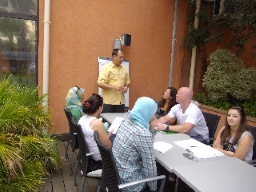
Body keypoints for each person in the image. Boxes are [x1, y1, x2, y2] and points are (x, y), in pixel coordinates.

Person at [112, 97, 158, 192]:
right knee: (160, 177)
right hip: (129, 183)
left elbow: (145, 145)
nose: (154, 115)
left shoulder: (127, 122)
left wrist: (152, 128)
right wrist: (153, 189)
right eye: (154, 112)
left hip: (114, 176)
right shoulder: (142, 133)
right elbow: (150, 167)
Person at [78, 93, 112, 162]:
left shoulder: (82, 119)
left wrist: (106, 137)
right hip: (99, 156)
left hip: (88, 153)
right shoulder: (97, 123)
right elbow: (109, 146)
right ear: (99, 108)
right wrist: (109, 137)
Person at [97, 49, 130, 113]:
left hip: (120, 103)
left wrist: (125, 87)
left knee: (118, 122)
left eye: (123, 57)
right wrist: (114, 87)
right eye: (120, 57)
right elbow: (100, 83)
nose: (122, 59)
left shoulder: (124, 68)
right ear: (114, 57)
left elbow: (127, 82)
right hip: (108, 103)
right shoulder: (106, 68)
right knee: (107, 123)